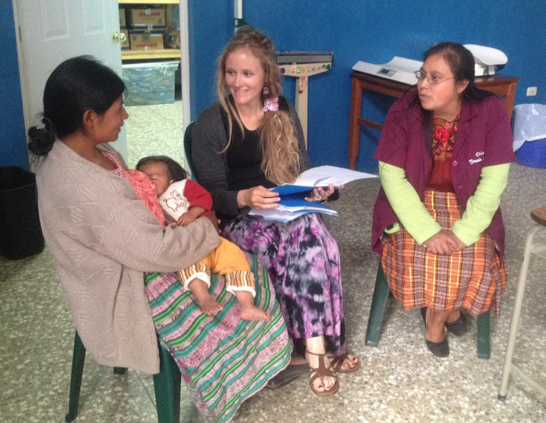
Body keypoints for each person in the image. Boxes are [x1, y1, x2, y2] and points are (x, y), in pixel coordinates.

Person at [28, 55, 293, 422]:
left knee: (233, 265)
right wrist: (205, 225)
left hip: (135, 251)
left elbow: (137, 220)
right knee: (234, 277)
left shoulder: (96, 152)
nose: (126, 117)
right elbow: (156, 249)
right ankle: (232, 379)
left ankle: (251, 367)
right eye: (119, 110)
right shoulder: (82, 187)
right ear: (90, 118)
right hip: (124, 283)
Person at [191, 26, 359, 396]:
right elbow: (210, 196)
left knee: (316, 240)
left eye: (247, 74)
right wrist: (246, 198)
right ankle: (323, 350)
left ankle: (307, 350)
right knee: (311, 241)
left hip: (284, 205)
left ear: (266, 77)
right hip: (240, 219)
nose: (237, 82)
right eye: (231, 73)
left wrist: (319, 189)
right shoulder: (212, 122)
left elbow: (300, 170)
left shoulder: (277, 108)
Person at [371, 42, 515, 357]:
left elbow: (493, 182)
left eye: (435, 78)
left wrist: (463, 232)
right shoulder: (405, 109)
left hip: (468, 203)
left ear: (462, 84)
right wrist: (428, 231)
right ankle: (446, 314)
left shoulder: (490, 112)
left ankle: (437, 318)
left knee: (473, 256)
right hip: (414, 200)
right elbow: (393, 177)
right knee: (422, 252)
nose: (422, 84)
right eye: (422, 76)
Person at [135, 155, 270, 321]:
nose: (147, 182)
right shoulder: (145, 202)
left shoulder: (181, 186)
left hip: (213, 241)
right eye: (142, 179)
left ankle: (247, 305)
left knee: (237, 259)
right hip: (191, 247)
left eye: (153, 178)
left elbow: (205, 197)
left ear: (171, 180)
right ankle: (204, 298)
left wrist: (193, 213)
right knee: (192, 267)